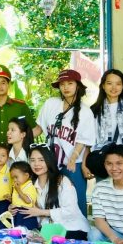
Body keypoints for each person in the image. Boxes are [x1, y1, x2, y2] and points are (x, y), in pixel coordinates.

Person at [37, 69, 96, 216]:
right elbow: (39, 128)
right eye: (62, 84)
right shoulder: (51, 104)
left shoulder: (85, 111)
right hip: (51, 161)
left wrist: (74, 157)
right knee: (51, 199)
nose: (66, 87)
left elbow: (84, 140)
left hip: (72, 163)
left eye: (70, 83)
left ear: (78, 86)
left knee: (76, 200)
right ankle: (54, 233)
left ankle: (79, 234)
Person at [14, 146, 89, 240]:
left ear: (49, 160)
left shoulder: (62, 181)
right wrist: (14, 207)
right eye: (32, 160)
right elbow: (30, 210)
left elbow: (71, 211)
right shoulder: (30, 185)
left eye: (41, 160)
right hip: (48, 230)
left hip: (72, 228)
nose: (36, 164)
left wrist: (41, 212)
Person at [0, 65, 40, 168]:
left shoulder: (20, 107)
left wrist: (20, 144)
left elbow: (35, 130)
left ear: (8, 84)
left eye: (3, 83)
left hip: (13, 157)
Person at [88, 69, 123, 179]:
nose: (114, 87)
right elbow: (88, 141)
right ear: (103, 85)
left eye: (118, 84)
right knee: (106, 193)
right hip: (103, 160)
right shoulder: (94, 110)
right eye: (109, 83)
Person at [9, 161, 38, 230]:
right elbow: (17, 200)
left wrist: (18, 190)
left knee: (27, 233)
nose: (14, 180)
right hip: (17, 214)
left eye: (16, 177)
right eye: (12, 178)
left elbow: (28, 200)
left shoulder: (30, 186)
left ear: (26, 175)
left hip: (26, 215)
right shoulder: (18, 186)